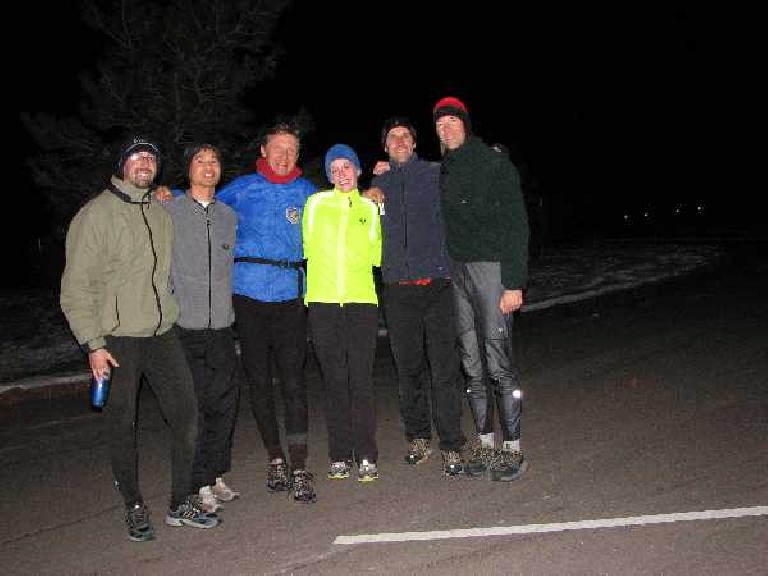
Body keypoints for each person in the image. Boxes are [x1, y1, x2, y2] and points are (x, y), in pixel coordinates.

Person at [60, 136, 218, 543]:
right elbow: (76, 288)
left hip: (161, 332)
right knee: (121, 424)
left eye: (151, 157)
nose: (145, 162)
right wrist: (93, 345)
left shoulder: (160, 211)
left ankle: (181, 500)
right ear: (122, 165)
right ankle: (133, 504)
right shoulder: (96, 215)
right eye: (137, 157)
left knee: (186, 412)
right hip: (116, 338)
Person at [216, 120, 317, 503]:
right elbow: (201, 203)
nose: (284, 154)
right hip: (248, 296)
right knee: (258, 382)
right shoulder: (241, 189)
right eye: (278, 147)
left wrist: (373, 189)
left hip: (290, 297)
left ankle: (300, 465)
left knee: (293, 382)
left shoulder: (307, 192)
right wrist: (167, 192)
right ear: (263, 151)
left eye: (291, 148)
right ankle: (274, 457)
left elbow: (341, 208)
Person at [432, 97, 530, 481]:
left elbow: (515, 223)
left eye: (453, 122)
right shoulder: (444, 170)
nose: (447, 129)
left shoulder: (493, 162)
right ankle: (486, 446)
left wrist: (514, 282)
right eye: (440, 125)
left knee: (498, 364)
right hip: (458, 274)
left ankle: (513, 449)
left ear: (465, 125)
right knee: (471, 364)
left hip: (492, 271)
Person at [372, 117, 465, 476]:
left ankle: (452, 444)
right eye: (392, 137)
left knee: (444, 369)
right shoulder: (377, 186)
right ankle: (419, 437)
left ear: (414, 144)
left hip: (438, 285)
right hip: (398, 291)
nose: (398, 141)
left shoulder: (435, 174)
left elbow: (461, 172)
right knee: (408, 369)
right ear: (385, 147)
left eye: (405, 136)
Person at [164, 144, 241, 513]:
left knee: (225, 403)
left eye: (214, 161)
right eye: (200, 161)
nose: (208, 167)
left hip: (222, 326)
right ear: (188, 169)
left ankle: (214, 473)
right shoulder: (170, 210)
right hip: (185, 326)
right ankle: (198, 481)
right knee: (195, 406)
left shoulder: (229, 216)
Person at [303, 144, 382, 483]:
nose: (341, 174)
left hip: (361, 303)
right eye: (334, 169)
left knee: (360, 381)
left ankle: (366, 454)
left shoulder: (370, 207)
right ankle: (339, 454)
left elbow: (375, 256)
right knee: (334, 381)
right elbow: (307, 246)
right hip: (322, 303)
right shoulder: (316, 204)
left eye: (346, 167)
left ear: (358, 170)